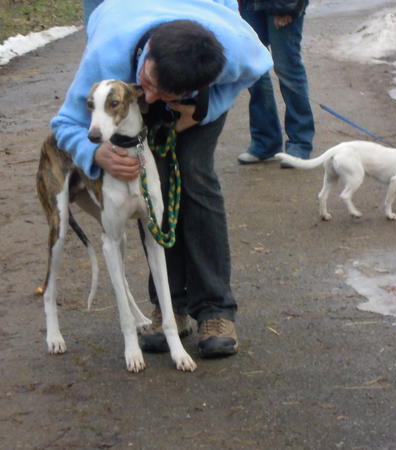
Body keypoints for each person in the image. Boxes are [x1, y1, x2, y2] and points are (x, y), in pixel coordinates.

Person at [51, 0, 273, 357]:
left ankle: (215, 310)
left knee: (196, 177)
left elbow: (260, 69)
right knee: (155, 189)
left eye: (162, 95)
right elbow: (64, 123)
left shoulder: (238, 50)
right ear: (148, 54)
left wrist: (203, 108)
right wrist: (93, 153)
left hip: (196, 89)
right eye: (148, 84)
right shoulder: (107, 55)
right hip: (130, 39)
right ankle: (171, 306)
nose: (149, 98)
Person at [236, 0, 315, 166]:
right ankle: (265, 141)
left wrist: (290, 6)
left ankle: (300, 143)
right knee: (254, 69)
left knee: (287, 69)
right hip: (249, 5)